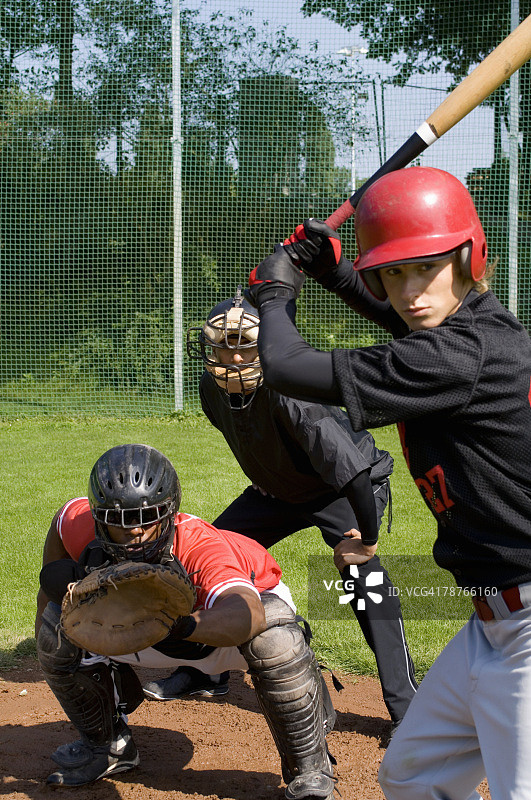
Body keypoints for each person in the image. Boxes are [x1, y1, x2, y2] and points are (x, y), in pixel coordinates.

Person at [245, 165, 531, 799]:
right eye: (392, 272)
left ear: (467, 256)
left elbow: (288, 367)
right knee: (412, 775)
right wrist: (335, 273)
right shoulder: (477, 330)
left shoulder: (461, 356)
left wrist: (274, 294)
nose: (409, 290)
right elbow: (407, 326)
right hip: (493, 619)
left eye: (426, 267)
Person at [145, 288, 417, 734]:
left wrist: (365, 540)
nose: (232, 360)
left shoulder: (293, 395)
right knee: (202, 557)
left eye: (245, 347)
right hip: (279, 491)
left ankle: (408, 708)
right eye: (222, 347)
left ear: (266, 349)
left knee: (363, 579)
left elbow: (350, 473)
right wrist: (269, 474)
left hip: (343, 489)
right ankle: (207, 671)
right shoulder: (209, 389)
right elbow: (248, 438)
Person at [36, 443, 337, 799]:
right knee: (55, 628)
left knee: (274, 635)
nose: (136, 531)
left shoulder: (198, 546)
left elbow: (248, 614)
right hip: (145, 631)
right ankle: (109, 748)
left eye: (149, 517)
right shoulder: (79, 523)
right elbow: (59, 533)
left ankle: (311, 770)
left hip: (223, 630)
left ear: (171, 513)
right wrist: (71, 646)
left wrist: (178, 624)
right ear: (100, 519)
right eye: (123, 521)